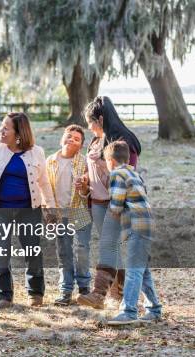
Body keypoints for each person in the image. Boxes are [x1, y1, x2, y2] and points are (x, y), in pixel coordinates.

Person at [0, 112, 56, 308]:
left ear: (19, 133)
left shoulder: (37, 151)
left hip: (29, 209)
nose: (1, 131)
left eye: (5, 128)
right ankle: (4, 295)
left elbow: (44, 182)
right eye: (2, 126)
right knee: (0, 251)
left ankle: (35, 292)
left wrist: (51, 207)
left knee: (32, 250)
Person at [77, 96, 142, 309]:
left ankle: (98, 295)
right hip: (96, 201)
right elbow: (91, 168)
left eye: (90, 121)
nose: (88, 126)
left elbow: (127, 173)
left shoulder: (123, 142)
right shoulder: (95, 141)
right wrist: (85, 181)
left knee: (108, 245)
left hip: (115, 203)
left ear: (101, 118)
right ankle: (119, 291)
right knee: (111, 247)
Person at [102, 141, 161, 326]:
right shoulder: (134, 174)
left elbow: (117, 204)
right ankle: (154, 308)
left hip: (136, 226)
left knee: (133, 270)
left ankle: (128, 311)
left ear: (110, 161)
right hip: (147, 224)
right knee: (142, 271)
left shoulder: (116, 174)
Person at [45, 125, 92, 306]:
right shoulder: (50, 161)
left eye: (76, 139)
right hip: (59, 213)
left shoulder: (84, 162)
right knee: (64, 251)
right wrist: (48, 212)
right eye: (69, 136)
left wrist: (84, 188)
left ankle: (84, 287)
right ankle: (65, 289)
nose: (71, 139)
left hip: (79, 210)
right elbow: (46, 188)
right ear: (62, 138)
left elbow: (88, 190)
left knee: (82, 249)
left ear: (80, 146)